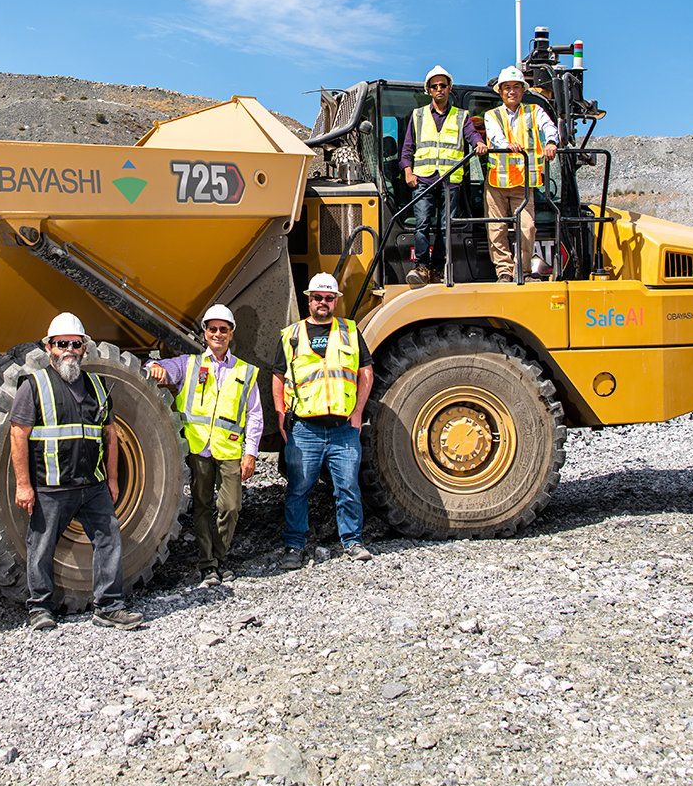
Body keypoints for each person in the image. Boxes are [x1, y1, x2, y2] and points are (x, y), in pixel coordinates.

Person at [10, 312, 145, 632]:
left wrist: (112, 479)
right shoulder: (34, 386)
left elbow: (110, 434)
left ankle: (109, 606)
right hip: (52, 487)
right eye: (61, 344)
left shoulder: (98, 386)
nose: (69, 349)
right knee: (41, 545)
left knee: (108, 539)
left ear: (84, 348)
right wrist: (23, 484)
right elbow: (18, 434)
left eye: (75, 343)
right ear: (49, 348)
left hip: (93, 485)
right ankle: (40, 608)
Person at [147, 304, 263, 589]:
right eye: (213, 329)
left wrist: (251, 452)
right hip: (199, 450)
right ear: (205, 334)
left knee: (231, 506)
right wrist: (155, 367)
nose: (218, 334)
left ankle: (219, 556)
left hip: (230, 451)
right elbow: (155, 368)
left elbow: (255, 413)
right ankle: (208, 564)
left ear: (231, 334)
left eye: (223, 329)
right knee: (201, 507)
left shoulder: (245, 372)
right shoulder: (190, 364)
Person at [274, 273, 376, 567]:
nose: (322, 302)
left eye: (328, 298)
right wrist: (281, 412)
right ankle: (294, 546)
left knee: (347, 487)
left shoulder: (350, 332)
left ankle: (353, 542)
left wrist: (357, 411)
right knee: (298, 489)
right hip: (305, 429)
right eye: (317, 297)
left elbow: (365, 372)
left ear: (335, 301)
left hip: (343, 428)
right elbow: (278, 376)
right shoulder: (291, 335)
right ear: (309, 299)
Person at [398, 65, 485, 287]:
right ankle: (422, 266)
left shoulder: (461, 117)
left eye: (443, 85)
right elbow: (408, 147)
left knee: (446, 226)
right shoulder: (418, 116)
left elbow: (472, 135)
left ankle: (438, 268)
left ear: (449, 88)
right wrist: (408, 170)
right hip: (424, 179)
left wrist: (479, 143)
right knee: (422, 224)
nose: (439, 89)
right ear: (428, 90)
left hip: (449, 179)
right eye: (434, 86)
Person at [479, 65, 559, 281]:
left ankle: (522, 271)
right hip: (497, 181)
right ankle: (504, 272)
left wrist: (551, 142)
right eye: (507, 87)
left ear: (523, 90)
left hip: (524, 183)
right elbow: (495, 136)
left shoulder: (535, 112)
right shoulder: (491, 115)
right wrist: (507, 145)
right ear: (500, 91)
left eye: (516, 87)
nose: (511, 91)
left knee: (527, 227)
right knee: (496, 228)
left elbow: (549, 127)